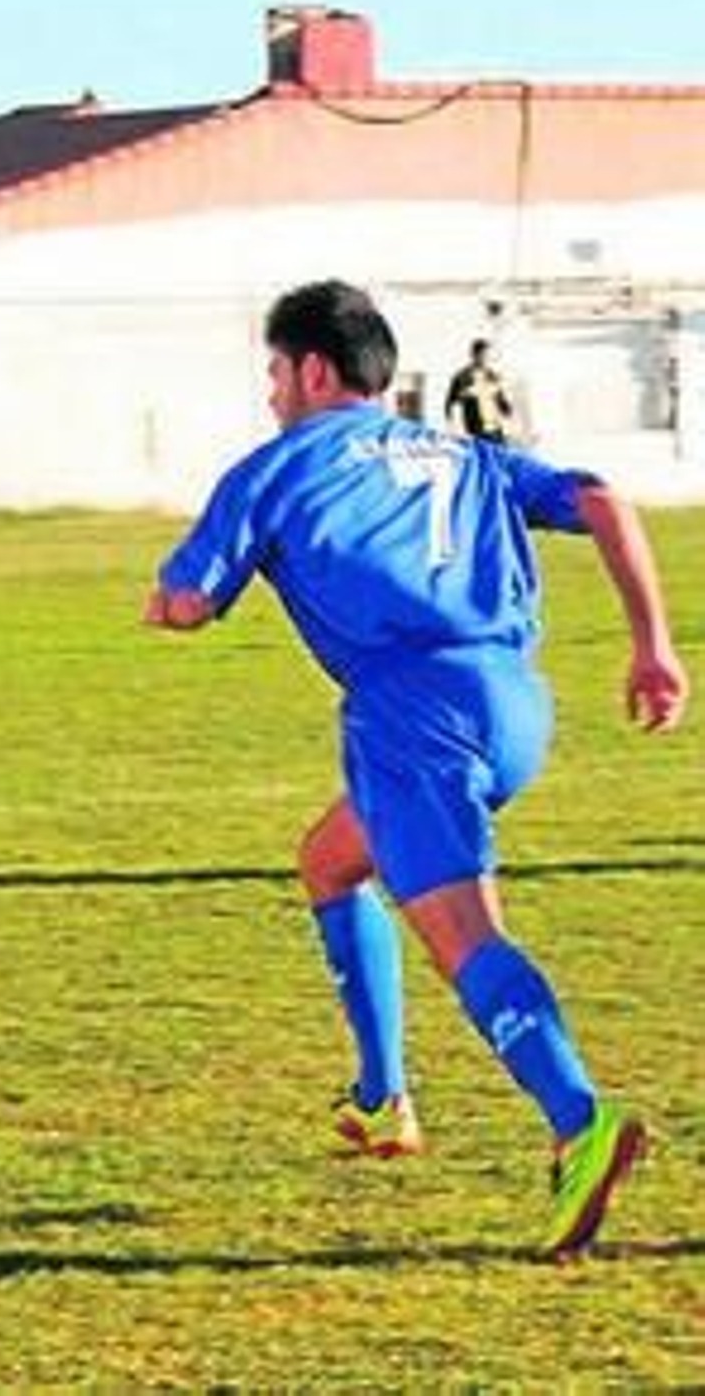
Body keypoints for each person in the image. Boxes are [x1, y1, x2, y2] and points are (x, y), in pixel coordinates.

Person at [144, 279, 688, 1259]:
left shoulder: (274, 468)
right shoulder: (465, 452)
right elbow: (602, 496)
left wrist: (173, 602)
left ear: (312, 369)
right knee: (329, 860)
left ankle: (578, 1119)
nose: (271, 394)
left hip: (410, 715)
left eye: (274, 371)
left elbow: (187, 601)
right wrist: (653, 646)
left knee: (462, 937)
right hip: (512, 701)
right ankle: (379, 1096)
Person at [445, 336, 515, 443]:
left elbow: (501, 402)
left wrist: (508, 414)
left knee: (499, 457)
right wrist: (453, 429)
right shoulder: (462, 377)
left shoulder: (492, 376)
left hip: (496, 429)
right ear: (473, 355)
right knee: (482, 458)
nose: (485, 358)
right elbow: (450, 404)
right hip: (476, 431)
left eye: (487, 355)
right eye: (482, 355)